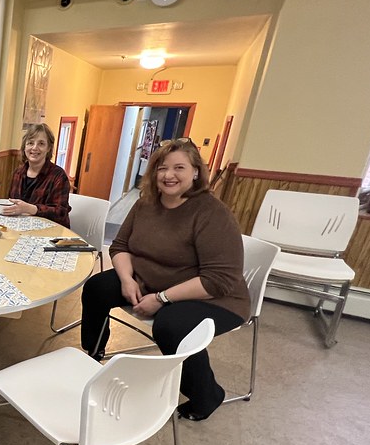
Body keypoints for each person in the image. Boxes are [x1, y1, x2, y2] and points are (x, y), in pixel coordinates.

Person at [78, 139, 249, 422]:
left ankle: (206, 395)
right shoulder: (145, 203)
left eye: (179, 167)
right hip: (151, 281)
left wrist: (162, 299)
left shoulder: (211, 213)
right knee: (97, 288)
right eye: (162, 168)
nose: (169, 175)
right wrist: (126, 280)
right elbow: (120, 246)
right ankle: (93, 352)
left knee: (171, 327)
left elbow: (219, 280)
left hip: (214, 297)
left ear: (196, 172)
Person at [2, 124, 71, 227]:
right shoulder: (18, 173)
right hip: (22, 228)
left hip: (52, 232)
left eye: (41, 144)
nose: (34, 148)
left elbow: (60, 213)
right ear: (24, 147)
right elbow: (13, 204)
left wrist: (30, 209)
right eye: (30, 143)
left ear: (48, 148)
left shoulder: (59, 176)